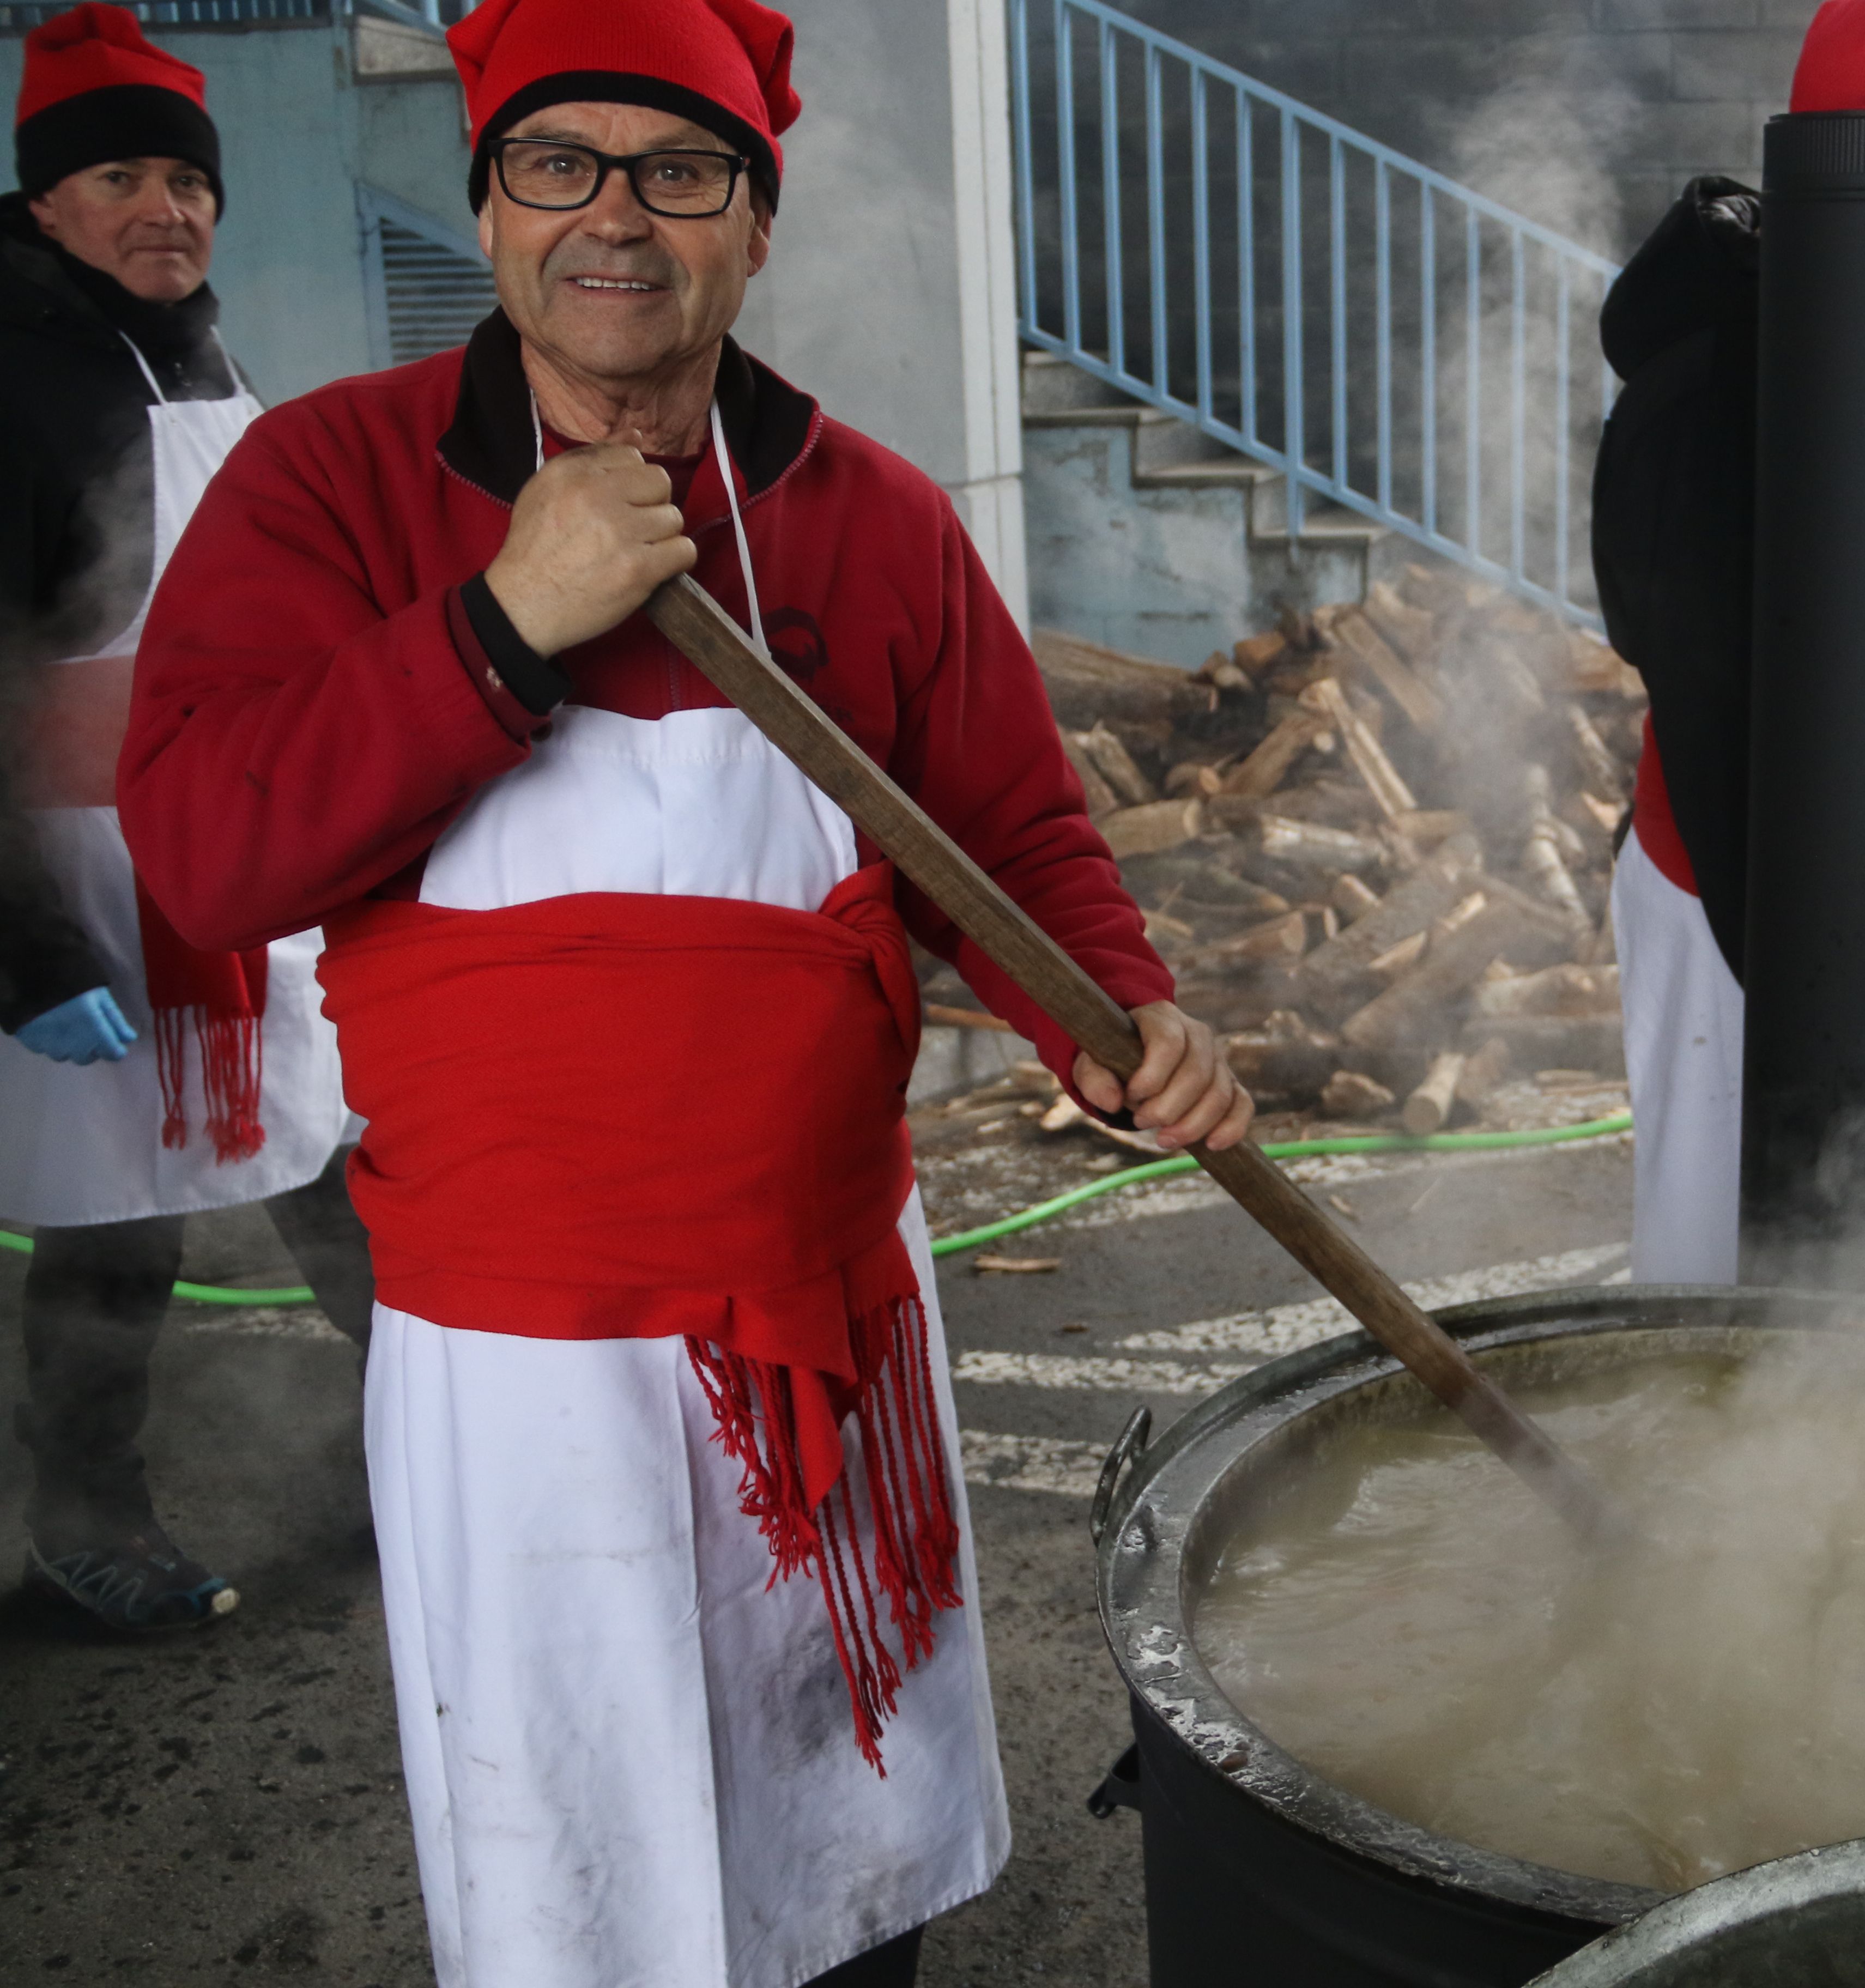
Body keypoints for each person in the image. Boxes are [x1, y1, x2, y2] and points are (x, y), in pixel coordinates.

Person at [115, 0, 1250, 1979]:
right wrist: (501, 623)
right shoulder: (332, 483)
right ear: (489, 206)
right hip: (521, 1366)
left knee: (838, 1846)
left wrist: (1120, 1018)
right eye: (559, 163)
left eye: (681, 170)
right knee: (584, 1870)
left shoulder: (870, 513)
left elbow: (1007, 833)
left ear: (755, 223)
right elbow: (209, 852)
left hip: (831, 1310)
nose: (616, 215)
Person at [0, 1, 372, 1633]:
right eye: (121, 180)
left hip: (241, 833)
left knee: (340, 1155)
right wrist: (20, 952)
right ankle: (86, 1529)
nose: (167, 209)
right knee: (115, 1229)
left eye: (190, 181)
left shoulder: (208, 349)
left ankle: (432, 1454)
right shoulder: (10, 373)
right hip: (76, 864)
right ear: (45, 202)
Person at [1593, 0, 1865, 1282]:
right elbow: (1687, 639)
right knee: (1711, 1248)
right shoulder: (1739, 376)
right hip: (1723, 860)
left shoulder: (1778, 345)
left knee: (1837, 1237)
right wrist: (1816, 916)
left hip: (1790, 866)